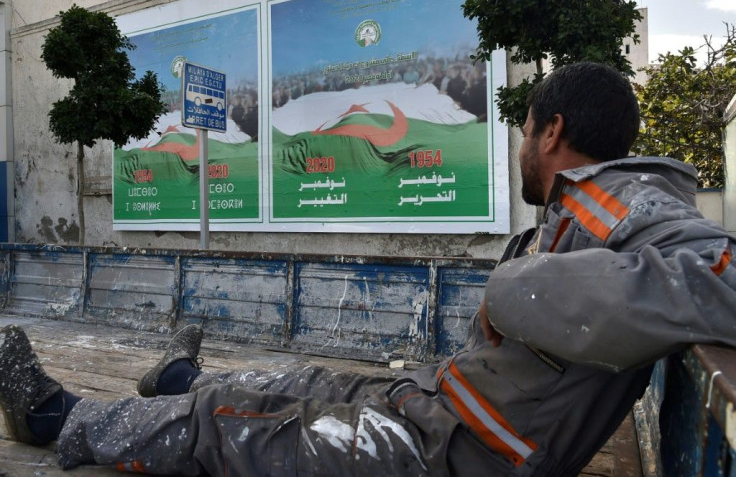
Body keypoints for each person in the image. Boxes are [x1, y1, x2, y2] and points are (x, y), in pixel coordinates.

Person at [2, 62, 735, 476]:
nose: (521, 149)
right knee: (302, 381)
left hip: (461, 456)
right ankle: (179, 380)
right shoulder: (592, 206)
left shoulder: (627, 204)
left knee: (229, 426)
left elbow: (723, 274)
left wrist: (524, 286)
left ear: (552, 131)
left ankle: (62, 418)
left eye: (523, 132)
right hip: (445, 411)